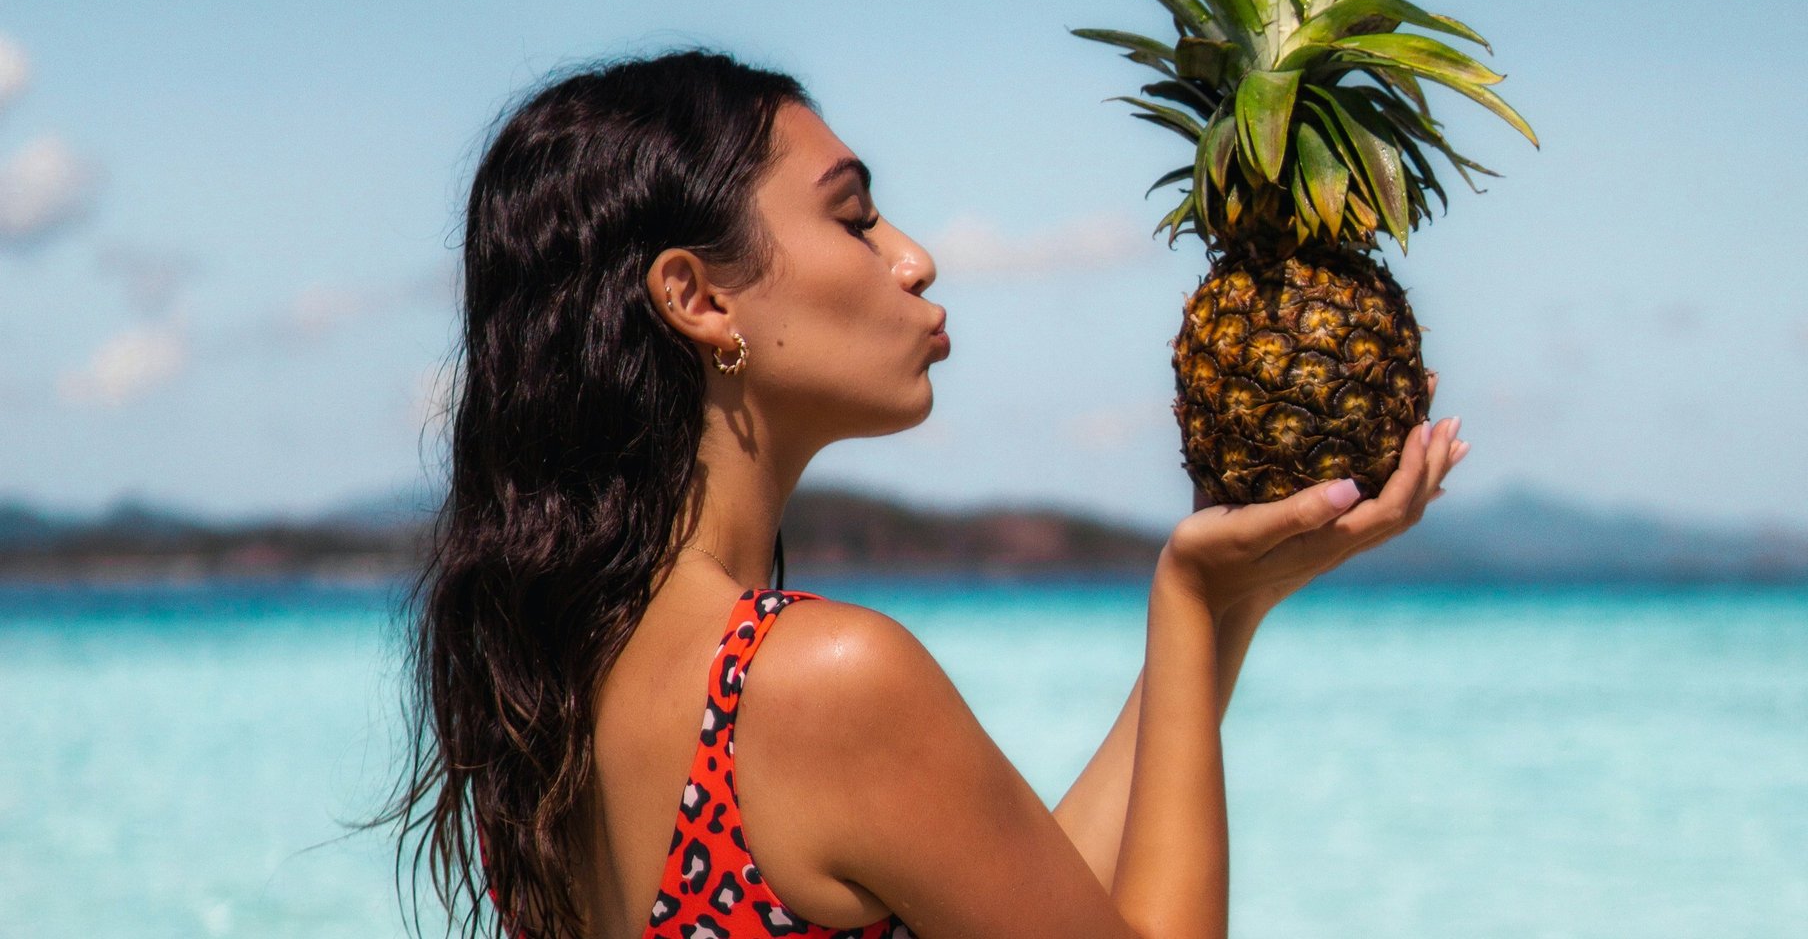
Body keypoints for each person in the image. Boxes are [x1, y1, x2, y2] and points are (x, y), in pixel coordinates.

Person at [373, 49, 1465, 939]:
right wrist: (1184, 597)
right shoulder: (815, 683)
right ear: (697, 298)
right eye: (854, 220)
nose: (917, 259)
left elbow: (1040, 904)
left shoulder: (553, 697)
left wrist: (1227, 610)